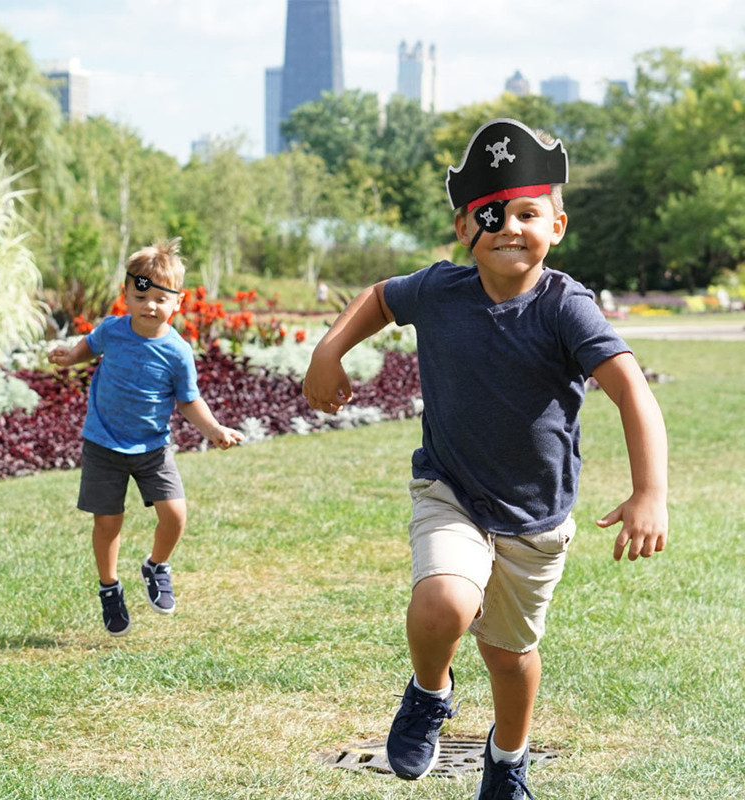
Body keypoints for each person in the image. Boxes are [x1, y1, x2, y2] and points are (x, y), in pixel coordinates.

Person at [302, 119, 668, 799]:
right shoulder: (441, 292)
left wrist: (651, 491)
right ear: (465, 227)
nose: (509, 227)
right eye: (490, 213)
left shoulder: (567, 309)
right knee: (443, 602)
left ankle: (507, 759)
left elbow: (631, 390)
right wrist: (329, 350)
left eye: (528, 213)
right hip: (453, 493)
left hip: (536, 517)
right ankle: (429, 693)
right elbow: (382, 296)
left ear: (556, 225)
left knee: (508, 656)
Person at [48, 239, 243, 637]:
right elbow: (90, 346)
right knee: (108, 522)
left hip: (153, 447)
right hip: (103, 443)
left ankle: (156, 565)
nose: (150, 305)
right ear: (126, 294)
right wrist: (70, 356)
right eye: (141, 294)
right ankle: (109, 587)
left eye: (160, 298)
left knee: (175, 515)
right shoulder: (112, 331)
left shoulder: (176, 352)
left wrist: (215, 430)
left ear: (178, 302)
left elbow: (189, 401)